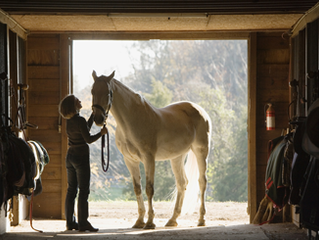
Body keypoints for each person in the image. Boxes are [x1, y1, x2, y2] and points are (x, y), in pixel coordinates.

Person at [59, 94, 107, 232]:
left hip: (70, 156)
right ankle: (83, 223)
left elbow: (85, 128)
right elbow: (88, 139)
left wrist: (93, 115)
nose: (79, 101)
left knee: (71, 190)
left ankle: (70, 222)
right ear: (74, 106)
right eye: (77, 100)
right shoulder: (79, 120)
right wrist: (101, 133)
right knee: (84, 190)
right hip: (81, 157)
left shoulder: (70, 121)